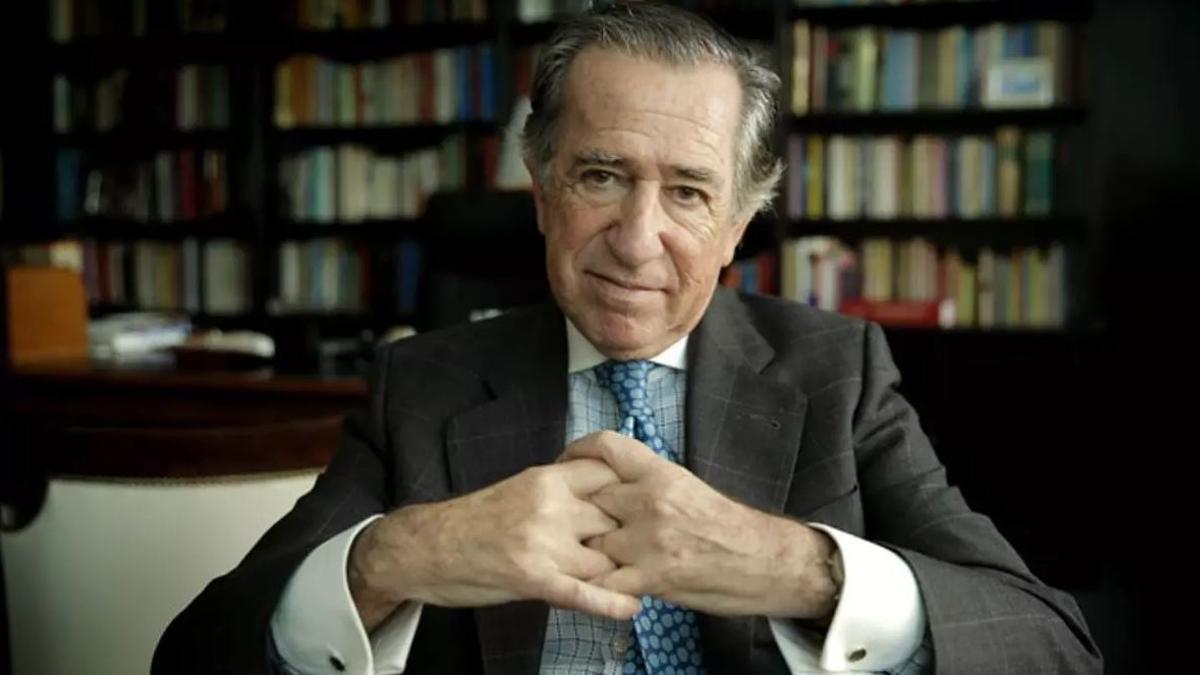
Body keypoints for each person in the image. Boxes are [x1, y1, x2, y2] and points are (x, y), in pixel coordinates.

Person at [153, 3, 1101, 674]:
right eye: (602, 175)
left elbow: (1051, 644)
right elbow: (196, 654)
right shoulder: (422, 383)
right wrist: (392, 558)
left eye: (688, 191)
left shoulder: (835, 374)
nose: (638, 239)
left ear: (737, 226)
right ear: (542, 189)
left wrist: (795, 568)